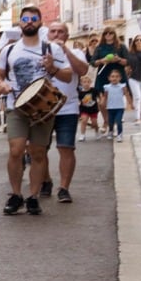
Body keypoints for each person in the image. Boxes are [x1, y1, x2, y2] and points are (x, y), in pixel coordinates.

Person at [0, 7, 61, 216]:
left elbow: (68, 75)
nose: (29, 22)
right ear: (19, 23)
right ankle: (16, 195)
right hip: (17, 106)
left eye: (33, 19)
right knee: (16, 150)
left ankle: (32, 196)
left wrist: (53, 68)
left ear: (40, 22)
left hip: (43, 109)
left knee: (38, 153)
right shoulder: (9, 50)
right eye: (25, 19)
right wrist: (1, 84)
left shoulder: (50, 48)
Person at [47, 21, 91, 201]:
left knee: (66, 148)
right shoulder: (40, 51)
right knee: (38, 150)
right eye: (53, 31)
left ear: (67, 36)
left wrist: (65, 50)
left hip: (68, 107)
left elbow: (82, 70)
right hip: (44, 110)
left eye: (61, 32)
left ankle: (64, 188)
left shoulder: (76, 52)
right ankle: (45, 180)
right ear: (47, 34)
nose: (57, 34)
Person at [101, 66, 134, 138]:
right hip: (110, 107)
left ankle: (120, 134)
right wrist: (103, 102)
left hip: (120, 107)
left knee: (119, 121)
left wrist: (131, 103)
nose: (114, 78)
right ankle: (110, 131)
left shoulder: (122, 86)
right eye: (112, 77)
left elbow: (127, 94)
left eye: (116, 77)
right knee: (111, 122)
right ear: (109, 78)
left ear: (120, 78)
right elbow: (105, 96)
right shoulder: (107, 87)